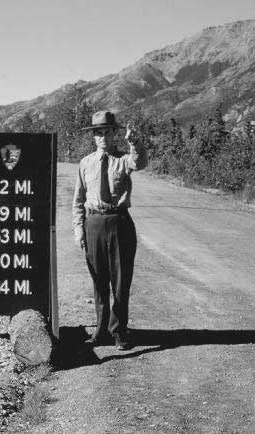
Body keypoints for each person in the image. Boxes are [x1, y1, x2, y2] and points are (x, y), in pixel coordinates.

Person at [72, 110, 148, 350]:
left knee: (120, 281)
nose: (103, 137)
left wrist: (134, 142)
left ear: (115, 134)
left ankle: (118, 331)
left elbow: (140, 162)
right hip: (93, 224)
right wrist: (78, 230)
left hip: (119, 224)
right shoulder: (85, 163)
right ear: (94, 137)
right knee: (99, 281)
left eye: (108, 132)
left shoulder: (124, 160)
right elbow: (78, 200)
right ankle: (101, 330)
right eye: (98, 133)